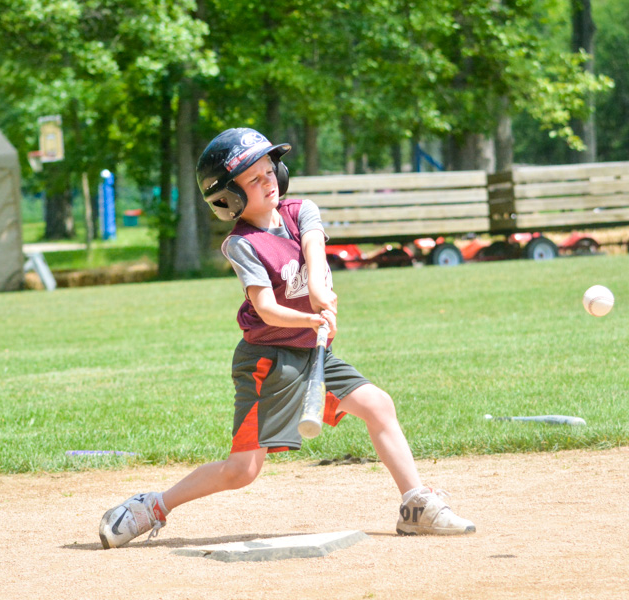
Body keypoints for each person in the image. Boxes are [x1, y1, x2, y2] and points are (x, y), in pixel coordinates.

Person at [98, 128, 475, 549]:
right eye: (254, 179)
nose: (269, 181)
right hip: (267, 360)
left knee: (377, 404)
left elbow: (315, 255)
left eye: (269, 170)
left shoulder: (301, 211)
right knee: (242, 471)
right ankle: (151, 507)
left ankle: (415, 505)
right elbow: (265, 310)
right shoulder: (242, 244)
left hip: (311, 352)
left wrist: (320, 292)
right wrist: (311, 319)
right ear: (230, 198)